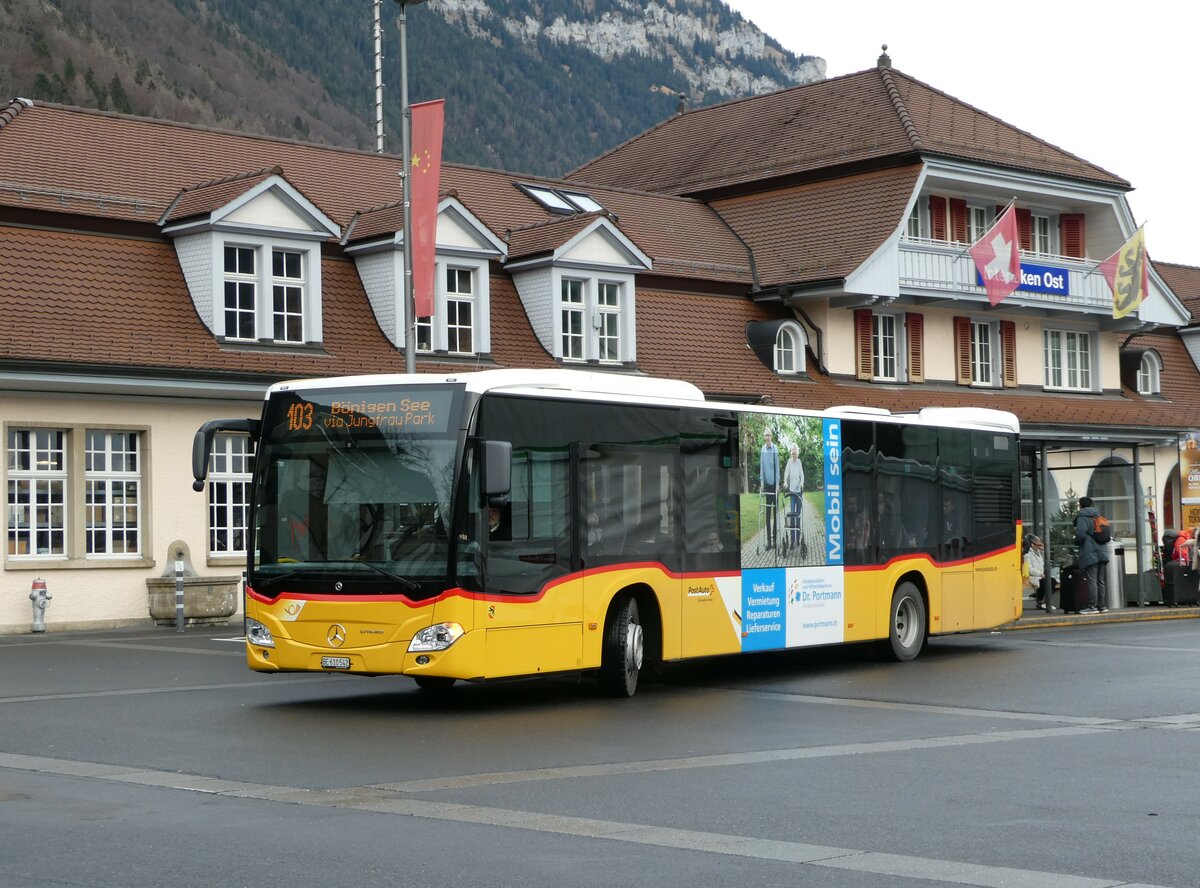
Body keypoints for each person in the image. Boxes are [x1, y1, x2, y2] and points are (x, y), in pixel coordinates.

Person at [1075, 496, 1109, 614]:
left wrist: (1077, 542)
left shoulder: (1082, 517)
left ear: (1080, 505)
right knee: (1100, 580)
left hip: (1091, 552)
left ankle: (1092, 607)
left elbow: (1080, 533)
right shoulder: (1098, 516)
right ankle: (1102, 606)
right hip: (1102, 551)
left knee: (1092, 580)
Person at [782, 443, 805, 552]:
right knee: (792, 516)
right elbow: (786, 473)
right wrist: (785, 482)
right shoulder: (789, 462)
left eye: (795, 452)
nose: (794, 454)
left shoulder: (799, 462)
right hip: (791, 492)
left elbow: (802, 475)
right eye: (792, 452)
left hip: (798, 493)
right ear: (790, 452)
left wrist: (802, 482)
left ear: (797, 452)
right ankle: (792, 541)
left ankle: (799, 538)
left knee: (798, 516)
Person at [759, 428, 779, 550]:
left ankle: (775, 540)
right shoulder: (762, 449)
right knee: (767, 514)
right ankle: (769, 542)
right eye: (765, 435)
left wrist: (777, 485)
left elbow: (777, 467)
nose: (767, 437)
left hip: (774, 486)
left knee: (775, 514)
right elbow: (761, 467)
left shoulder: (775, 449)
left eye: (769, 435)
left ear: (771, 436)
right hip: (767, 485)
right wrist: (761, 483)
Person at [1023, 534, 1055, 609]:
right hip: (1033, 576)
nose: (1039, 546)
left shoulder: (1039, 553)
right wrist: (1040, 574)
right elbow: (1029, 569)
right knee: (1046, 582)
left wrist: (1043, 550)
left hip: (1040, 576)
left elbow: (1044, 562)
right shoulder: (1027, 554)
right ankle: (1041, 601)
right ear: (1032, 544)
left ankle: (1044, 601)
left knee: (1052, 581)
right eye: (1038, 545)